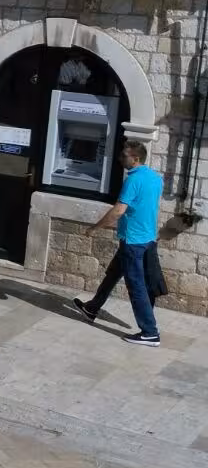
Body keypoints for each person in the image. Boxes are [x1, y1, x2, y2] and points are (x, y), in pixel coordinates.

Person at [73, 140, 165, 346]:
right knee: (113, 273)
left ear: (136, 158)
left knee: (137, 286)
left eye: (124, 156)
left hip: (133, 242)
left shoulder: (132, 181)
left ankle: (150, 332)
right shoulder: (155, 178)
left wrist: (94, 228)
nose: (120, 158)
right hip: (146, 239)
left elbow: (118, 211)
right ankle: (92, 308)